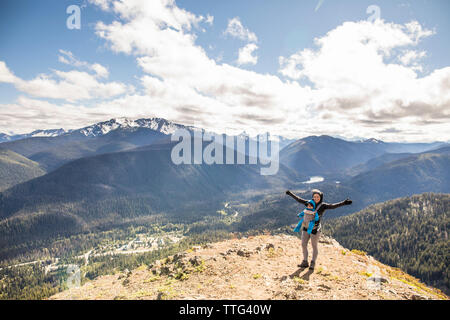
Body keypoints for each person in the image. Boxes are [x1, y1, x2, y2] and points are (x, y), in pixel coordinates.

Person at [286, 189, 352, 270]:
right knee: (303, 244)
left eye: (318, 197)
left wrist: (343, 203)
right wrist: (290, 194)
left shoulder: (323, 206)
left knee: (314, 246)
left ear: (321, 197)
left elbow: (333, 206)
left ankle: (313, 263)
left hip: (315, 229)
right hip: (306, 228)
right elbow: (299, 200)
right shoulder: (309, 202)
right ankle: (305, 262)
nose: (316, 198)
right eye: (314, 196)